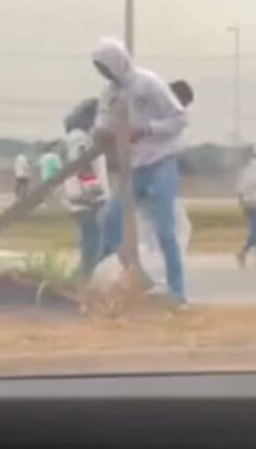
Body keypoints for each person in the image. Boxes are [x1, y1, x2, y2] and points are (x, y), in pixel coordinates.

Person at [90, 37, 193, 308]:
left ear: (118, 61)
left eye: (105, 66)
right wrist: (101, 135)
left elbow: (180, 119)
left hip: (161, 162)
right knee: (109, 219)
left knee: (165, 230)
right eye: (99, 68)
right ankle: (124, 277)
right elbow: (104, 123)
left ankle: (177, 293)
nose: (104, 73)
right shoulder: (110, 93)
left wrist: (146, 129)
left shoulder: (150, 83)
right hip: (134, 166)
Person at [61, 97, 109, 280]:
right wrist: (93, 188)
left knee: (94, 244)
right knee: (93, 246)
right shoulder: (80, 138)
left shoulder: (78, 137)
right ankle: (80, 280)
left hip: (84, 199)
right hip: (89, 200)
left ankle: (81, 278)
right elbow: (82, 162)